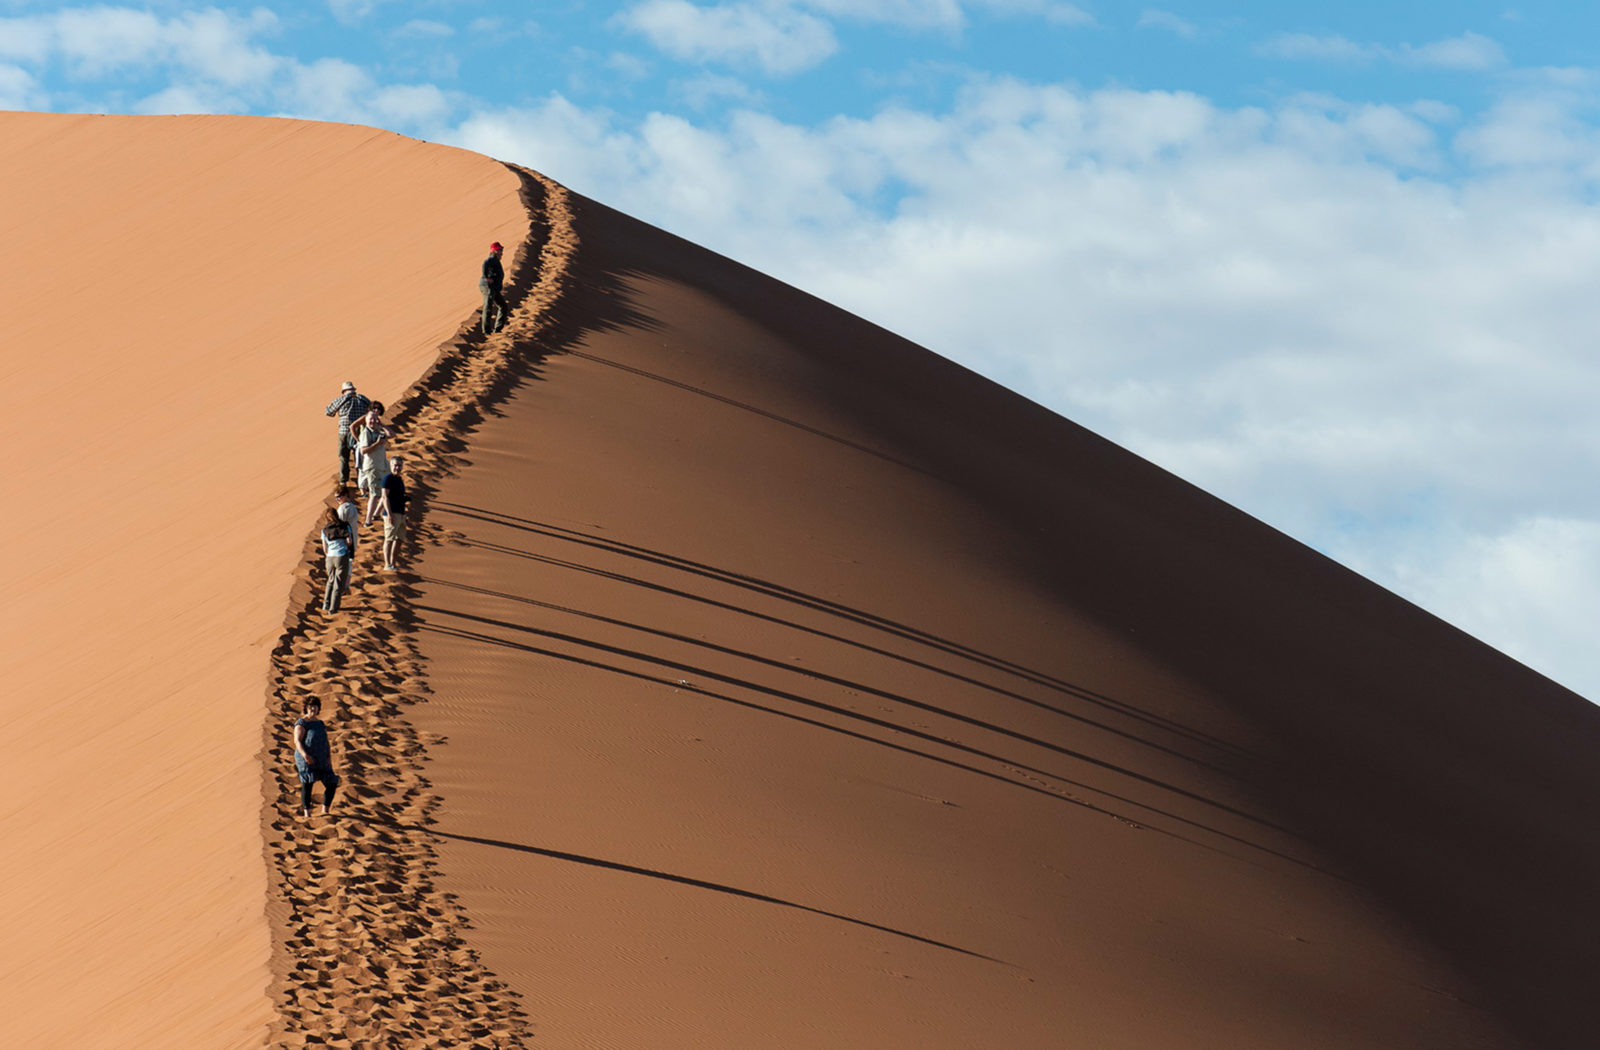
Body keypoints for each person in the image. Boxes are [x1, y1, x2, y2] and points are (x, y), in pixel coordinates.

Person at [292, 696, 339, 818]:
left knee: (332, 782)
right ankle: (307, 813)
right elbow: (297, 741)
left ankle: (325, 810)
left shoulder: (319, 723)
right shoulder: (302, 723)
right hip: (306, 758)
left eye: (315, 707)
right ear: (306, 709)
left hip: (322, 758)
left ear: (318, 709)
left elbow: (326, 741)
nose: (312, 709)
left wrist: (328, 756)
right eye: (310, 707)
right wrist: (305, 755)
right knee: (308, 783)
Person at [324, 381, 372, 486]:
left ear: (344, 391)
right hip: (359, 433)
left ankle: (343, 481)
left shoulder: (341, 399)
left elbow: (328, 412)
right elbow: (373, 410)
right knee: (359, 458)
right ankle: (363, 482)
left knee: (343, 457)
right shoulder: (363, 399)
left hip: (344, 432)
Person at [353, 402, 392, 510]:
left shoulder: (376, 424)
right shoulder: (366, 420)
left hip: (378, 459)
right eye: (374, 408)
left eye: (378, 409)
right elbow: (352, 426)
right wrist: (358, 440)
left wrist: (382, 425)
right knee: (362, 469)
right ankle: (362, 490)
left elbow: (392, 435)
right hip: (365, 449)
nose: (376, 410)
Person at [376, 456, 408, 571]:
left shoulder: (399, 480)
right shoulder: (387, 478)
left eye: (399, 465)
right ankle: (387, 564)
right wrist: (389, 514)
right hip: (392, 513)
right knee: (389, 539)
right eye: (395, 465)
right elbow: (384, 497)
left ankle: (393, 563)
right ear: (390, 466)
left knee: (399, 539)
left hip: (401, 513)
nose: (397, 468)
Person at [319, 506, 353, 613]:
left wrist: (330, 554)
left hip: (329, 558)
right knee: (338, 584)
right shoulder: (345, 526)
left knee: (330, 580)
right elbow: (349, 541)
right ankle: (333, 608)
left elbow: (325, 548)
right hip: (341, 556)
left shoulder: (324, 530)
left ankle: (326, 604)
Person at [333, 488, 361, 591]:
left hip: (345, 540)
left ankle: (342, 586)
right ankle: (346, 585)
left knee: (342, 563)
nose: (337, 499)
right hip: (352, 539)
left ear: (345, 495)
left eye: (339, 496)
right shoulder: (352, 507)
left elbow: (340, 525)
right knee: (348, 563)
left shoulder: (343, 509)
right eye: (336, 497)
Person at [480, 241, 508, 334]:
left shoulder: (496, 260)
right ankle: (486, 331)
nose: (502, 252)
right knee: (488, 307)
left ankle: (497, 329)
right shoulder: (492, 259)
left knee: (503, 306)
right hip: (488, 287)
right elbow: (485, 264)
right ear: (495, 251)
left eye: (501, 249)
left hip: (494, 288)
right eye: (500, 250)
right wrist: (486, 277)